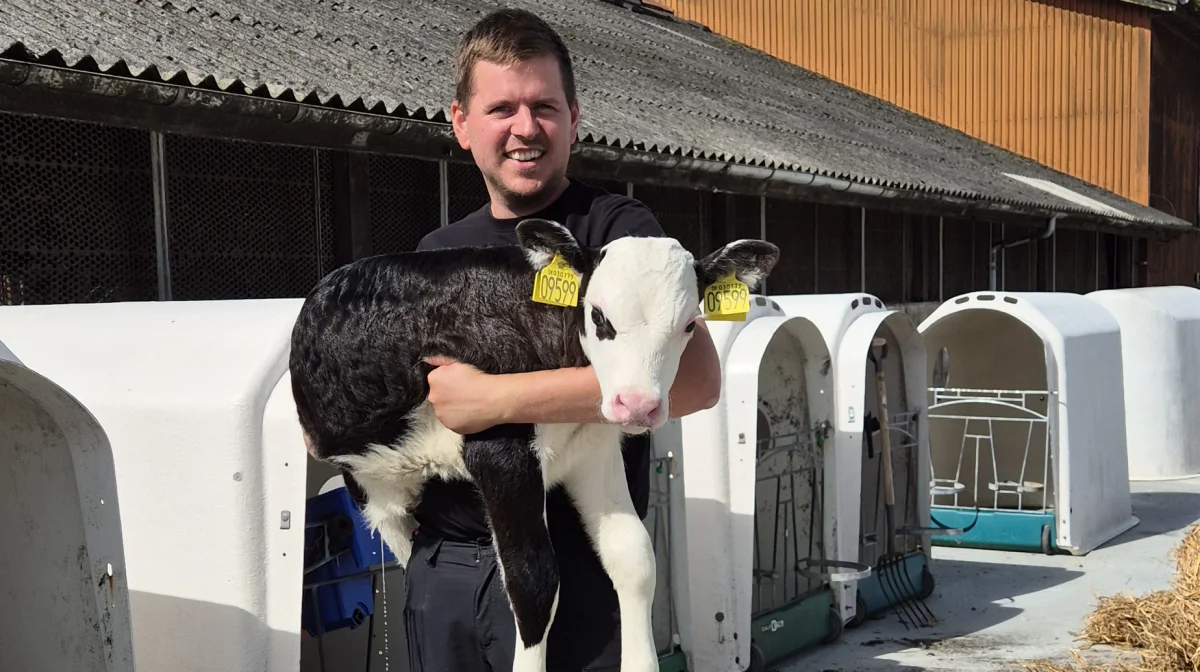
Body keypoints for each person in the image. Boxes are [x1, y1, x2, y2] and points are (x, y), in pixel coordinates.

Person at [401, 7, 724, 672]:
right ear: (461, 123)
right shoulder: (437, 253)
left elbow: (695, 380)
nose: (526, 128)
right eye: (502, 109)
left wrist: (494, 399)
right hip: (448, 571)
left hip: (575, 567)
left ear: (574, 117)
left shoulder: (617, 232)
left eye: (544, 106)